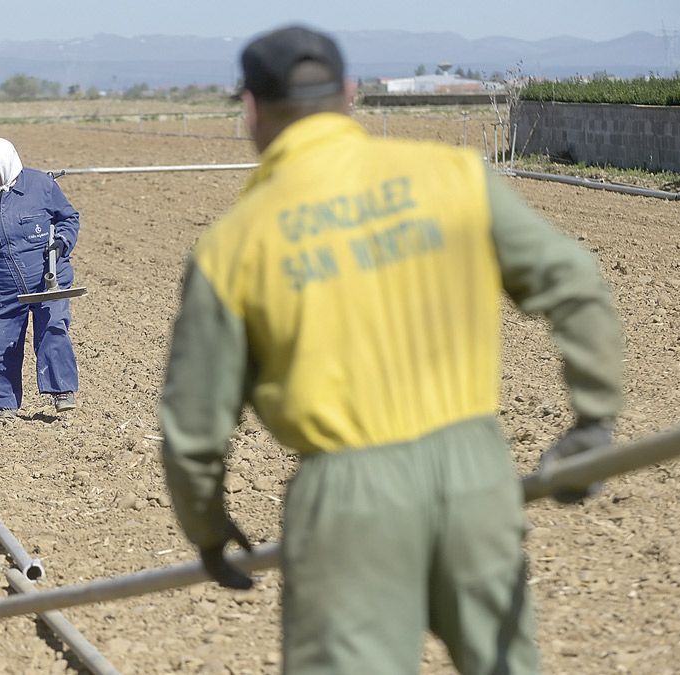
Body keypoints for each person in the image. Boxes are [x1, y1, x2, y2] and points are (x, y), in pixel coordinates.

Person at [159, 25, 623, 674]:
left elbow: (193, 430)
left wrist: (207, 530)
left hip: (349, 503)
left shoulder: (233, 245)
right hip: (476, 476)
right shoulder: (452, 174)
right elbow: (573, 280)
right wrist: (595, 419)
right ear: (350, 95)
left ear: (252, 110)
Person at [0, 137, 81, 417]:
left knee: (52, 330)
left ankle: (62, 391)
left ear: (6, 163)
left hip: (47, 277)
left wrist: (63, 242)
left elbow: (69, 218)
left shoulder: (41, 185)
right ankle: (3, 404)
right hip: (1, 285)